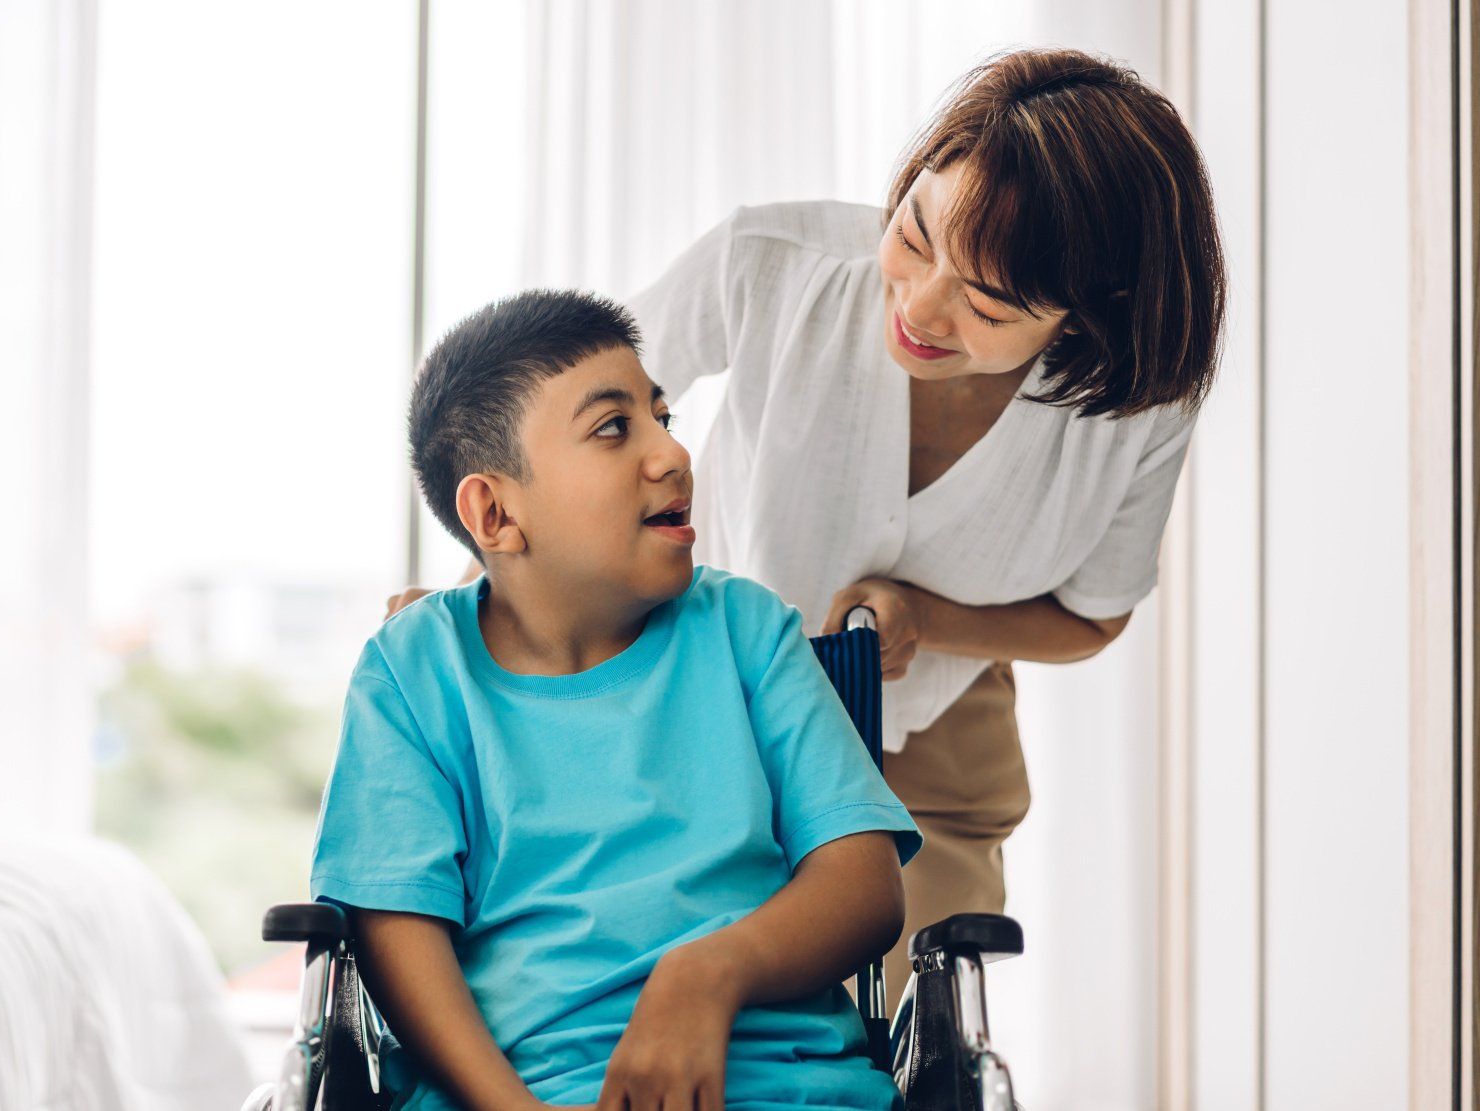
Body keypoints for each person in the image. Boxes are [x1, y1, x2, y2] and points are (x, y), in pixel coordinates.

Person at [386, 48, 1225, 1006]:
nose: (919, 305)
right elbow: (566, 428)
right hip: (700, 711)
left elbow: (1093, 616)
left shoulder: (1137, 410)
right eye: (914, 237)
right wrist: (470, 602)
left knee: (900, 1044)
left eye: (985, 302)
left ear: (1085, 320)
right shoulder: (769, 264)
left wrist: (926, 618)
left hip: (933, 750)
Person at [312, 290, 922, 1111]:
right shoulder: (413, 672)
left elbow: (866, 883)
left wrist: (709, 972)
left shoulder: (746, 630)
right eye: (613, 428)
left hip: (791, 1089)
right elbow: (395, 930)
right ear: (494, 512)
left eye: (662, 416)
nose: (672, 454)